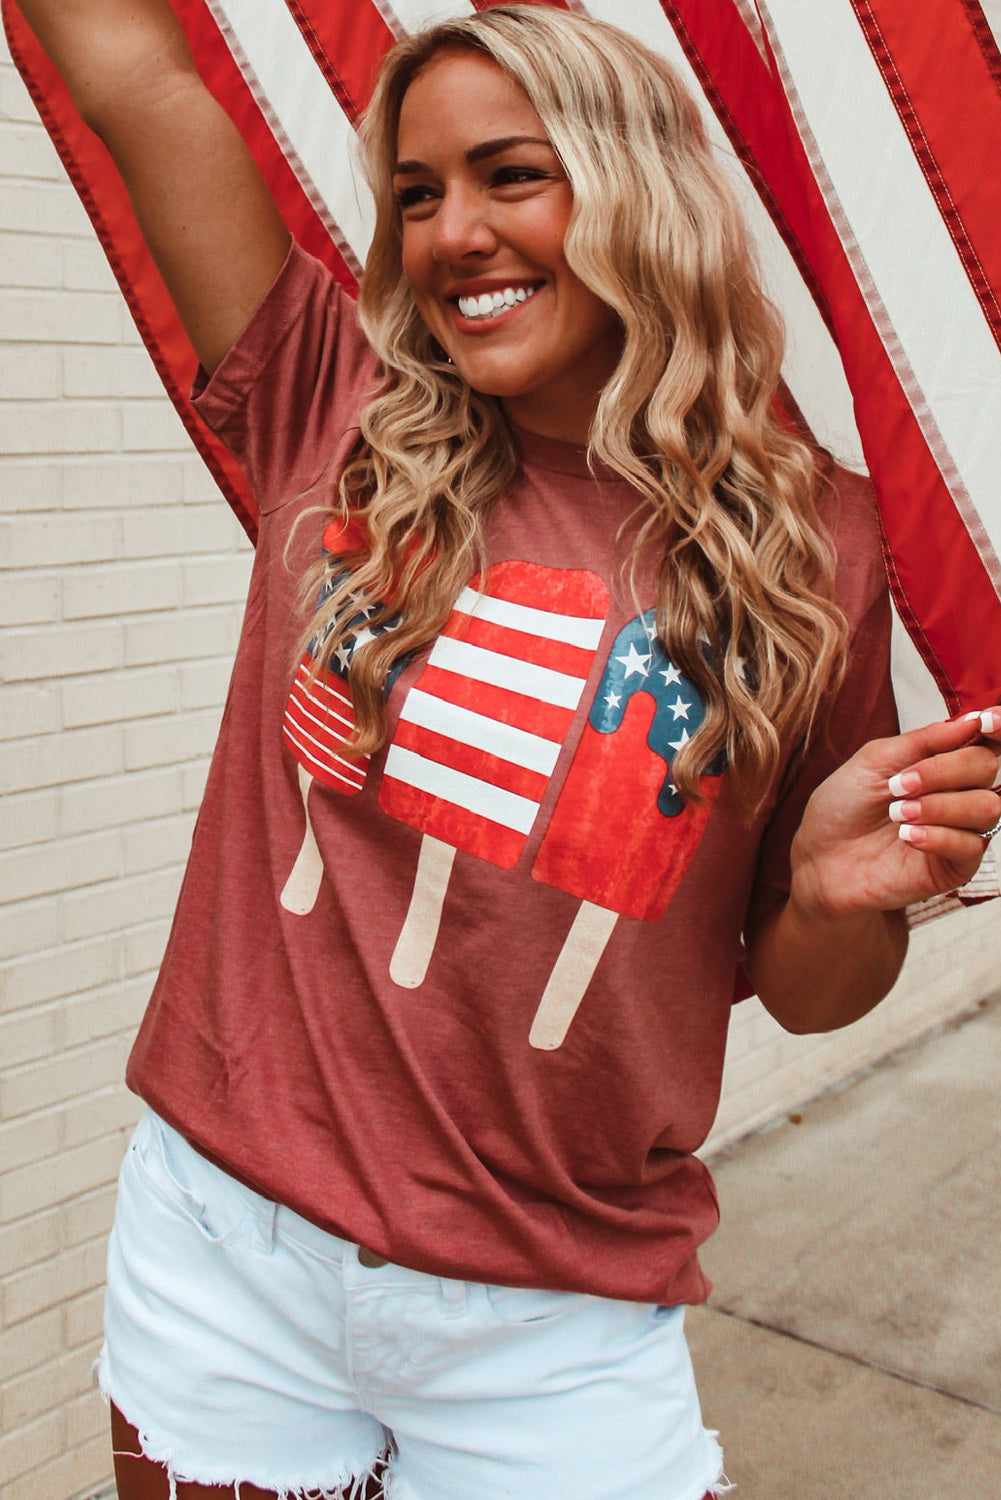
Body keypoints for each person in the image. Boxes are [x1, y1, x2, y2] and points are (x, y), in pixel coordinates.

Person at [18, 3, 1001, 1498]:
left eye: (509, 175)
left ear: (632, 190)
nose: (449, 233)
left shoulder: (822, 544)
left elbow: (811, 994)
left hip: (554, 1312)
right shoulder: (328, 403)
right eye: (415, 194)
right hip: (228, 1247)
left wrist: (831, 897)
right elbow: (140, 77)